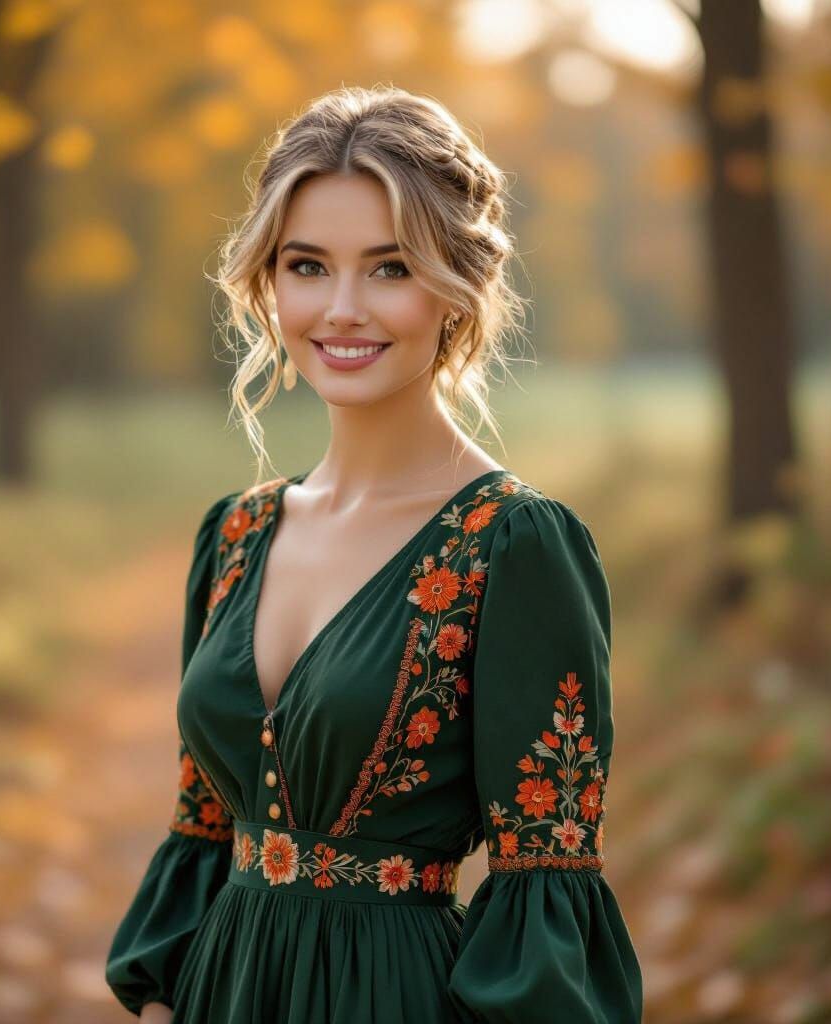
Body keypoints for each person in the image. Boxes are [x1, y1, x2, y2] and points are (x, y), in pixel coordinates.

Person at [105, 84, 644, 1023]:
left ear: (458, 285)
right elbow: (201, 831)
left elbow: (546, 882)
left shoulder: (515, 548)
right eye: (308, 265)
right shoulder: (235, 536)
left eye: (390, 268)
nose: (342, 309)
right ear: (269, 281)